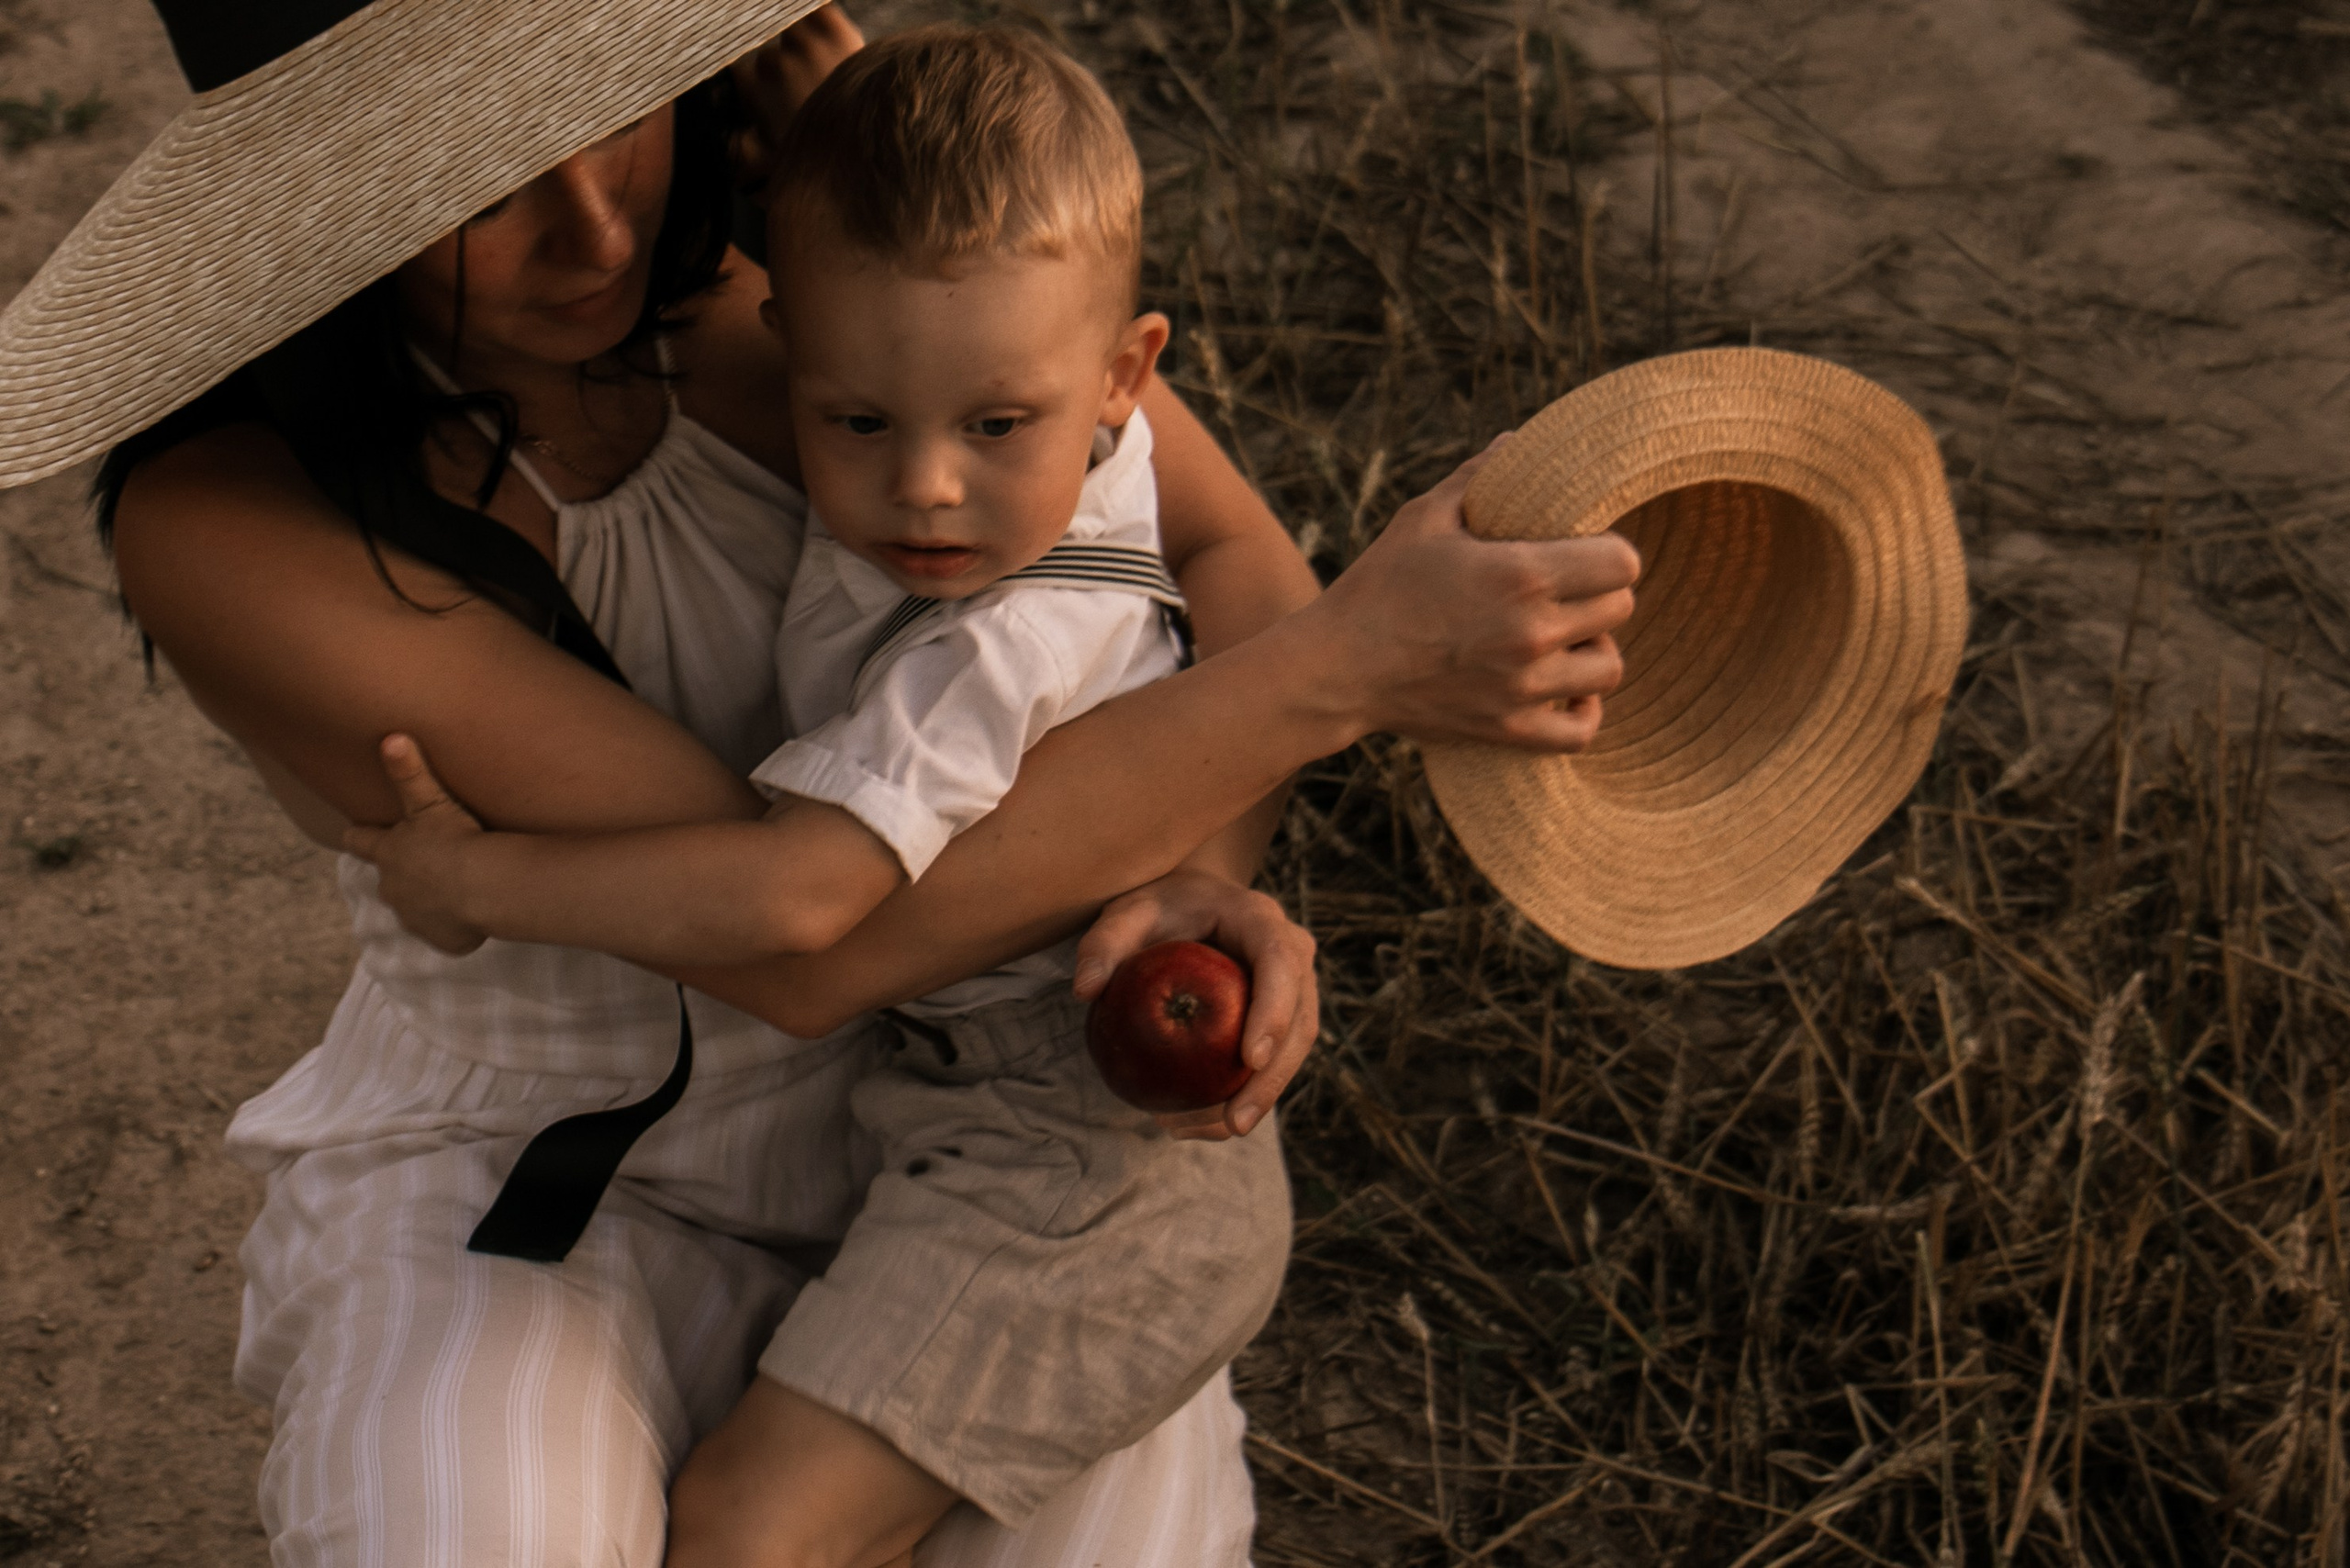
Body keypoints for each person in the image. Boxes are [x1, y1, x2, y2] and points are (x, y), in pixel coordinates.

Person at [2, 2, 1638, 1562]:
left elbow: (1211, 553)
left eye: (600, 108)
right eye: (479, 184)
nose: (595, 230)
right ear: (312, 199)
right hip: (548, 1175)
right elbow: (811, 940)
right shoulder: (238, 525)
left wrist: (1188, 884)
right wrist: (1335, 676)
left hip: (985, 1143)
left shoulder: (841, 296)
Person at [347, 23, 1295, 1540]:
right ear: (786, 339)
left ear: (1129, 376)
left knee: (743, 1536)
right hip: (1000, 1124)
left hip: (1072, 1172)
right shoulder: (1086, 445)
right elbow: (988, 299)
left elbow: (799, 902)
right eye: (859, 421)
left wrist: (472, 881)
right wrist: (835, 140)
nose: (925, 485)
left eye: (992, 428)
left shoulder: (988, 644)